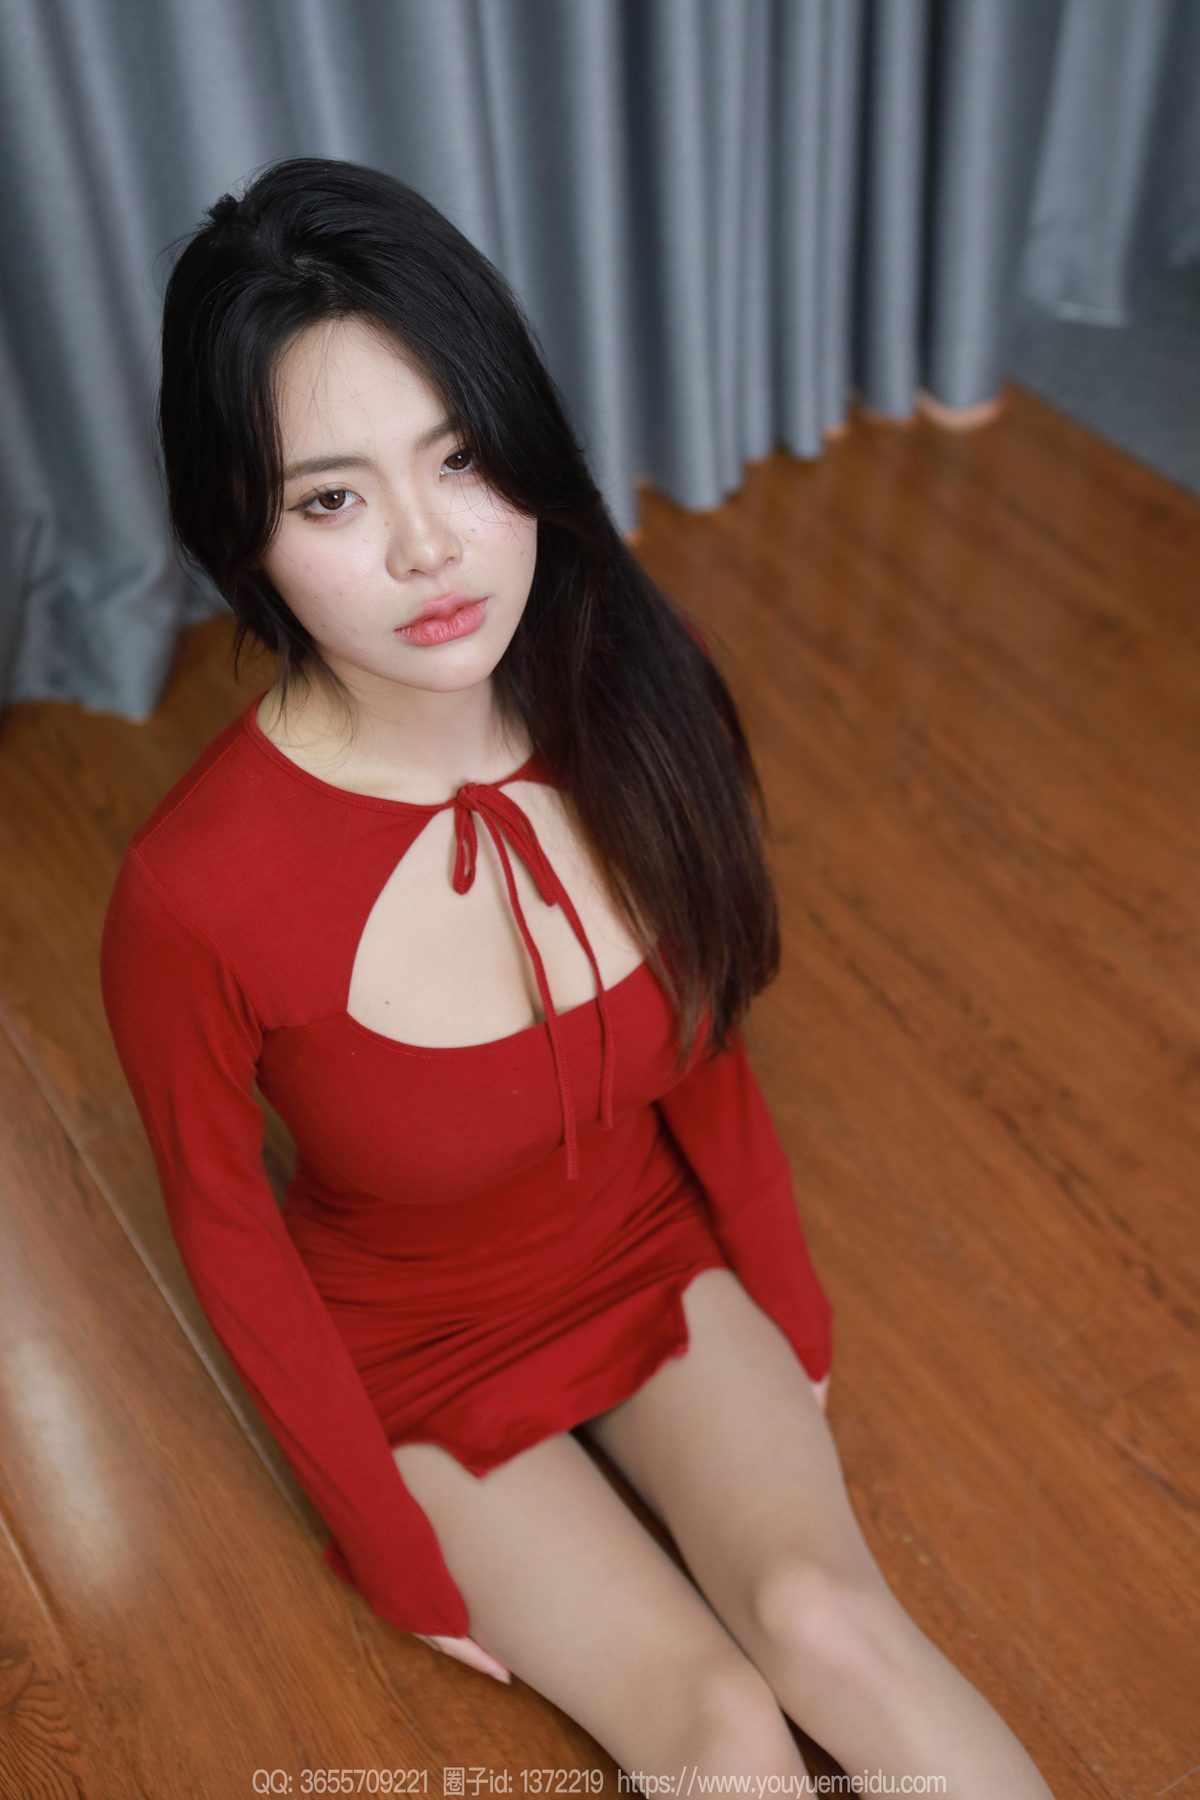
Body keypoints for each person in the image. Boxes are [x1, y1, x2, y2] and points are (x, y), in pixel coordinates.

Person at [100, 157, 1055, 1796]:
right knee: (720, 1728)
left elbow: (711, 1044)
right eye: (331, 501)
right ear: (238, 532)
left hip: (641, 1252)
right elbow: (224, 1227)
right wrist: (386, 1542)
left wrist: (788, 1306)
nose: (429, 549)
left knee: (832, 1624)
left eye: (461, 458)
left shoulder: (634, 688)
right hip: (412, 1350)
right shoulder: (188, 896)